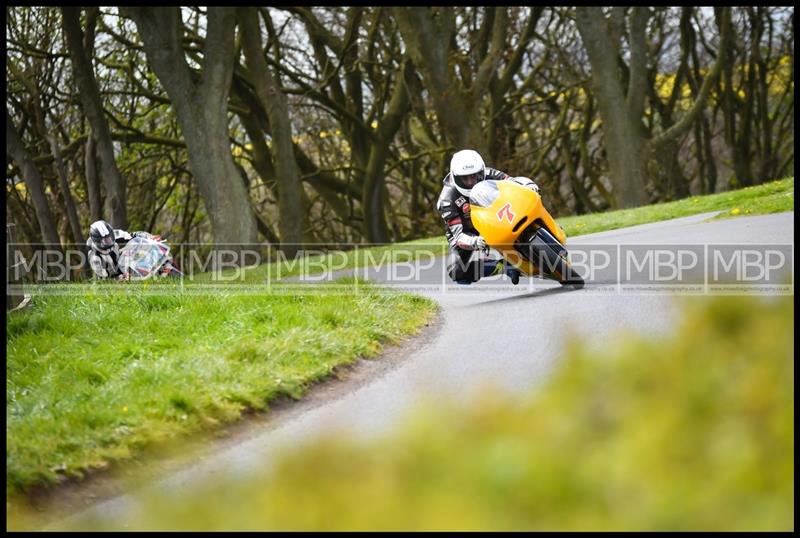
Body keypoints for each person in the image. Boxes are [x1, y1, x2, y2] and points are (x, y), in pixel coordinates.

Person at [435, 149, 540, 285]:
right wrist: (474, 242)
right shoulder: (446, 200)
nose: (471, 181)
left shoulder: (489, 174)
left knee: (532, 199)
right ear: (455, 177)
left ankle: (548, 227)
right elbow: (459, 236)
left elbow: (513, 183)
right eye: (465, 178)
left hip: (494, 216)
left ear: (481, 170)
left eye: (475, 176)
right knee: (456, 271)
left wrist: (528, 185)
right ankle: (501, 266)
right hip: (469, 231)